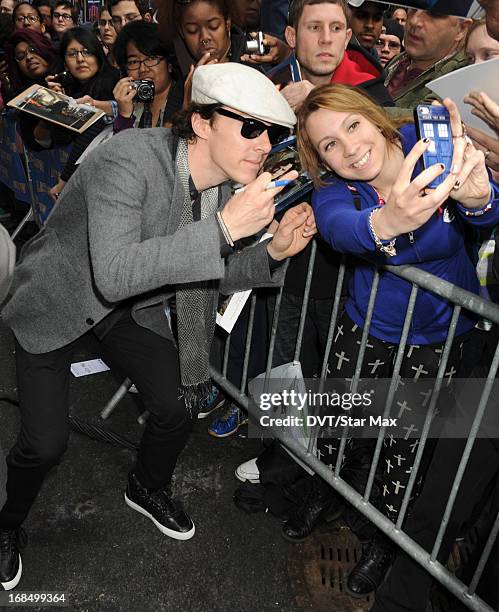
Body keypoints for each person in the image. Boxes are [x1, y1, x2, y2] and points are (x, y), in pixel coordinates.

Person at [0, 61, 316, 591]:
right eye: (250, 127)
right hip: (60, 298)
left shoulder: (217, 188)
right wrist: (223, 229)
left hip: (126, 309)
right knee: (45, 444)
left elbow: (206, 270)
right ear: (201, 124)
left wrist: (274, 252)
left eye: (275, 133)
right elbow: (118, 271)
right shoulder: (130, 157)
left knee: (176, 405)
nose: (264, 145)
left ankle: (146, 487)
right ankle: (7, 525)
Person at [295, 83, 499, 597]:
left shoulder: (431, 146)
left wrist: (478, 199)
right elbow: (340, 228)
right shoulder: (337, 192)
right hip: (364, 329)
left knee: (403, 449)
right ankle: (326, 487)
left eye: (352, 126)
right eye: (328, 146)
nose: (348, 148)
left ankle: (386, 539)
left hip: (439, 341)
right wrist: (388, 220)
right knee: (339, 421)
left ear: (375, 119)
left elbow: (489, 211)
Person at [43, 26, 119, 199]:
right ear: (64, 63)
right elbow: (60, 139)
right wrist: (57, 103)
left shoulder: (112, 81)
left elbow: (93, 130)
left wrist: (64, 179)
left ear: (98, 55)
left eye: (86, 52)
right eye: (72, 54)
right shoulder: (69, 87)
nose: (80, 59)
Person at [278, 0, 392, 113]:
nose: (326, 39)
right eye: (314, 27)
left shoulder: (373, 95)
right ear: (292, 36)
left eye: (336, 28)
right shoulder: (271, 88)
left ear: (347, 38)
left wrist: (321, 99)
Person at [384, 8, 471, 110]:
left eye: (434, 14)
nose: (414, 21)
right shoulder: (399, 60)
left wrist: (365, 110)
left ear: (461, 29)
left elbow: (422, 118)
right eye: (413, 7)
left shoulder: (461, 76)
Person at [112, 20, 182, 130]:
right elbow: (121, 146)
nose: (143, 69)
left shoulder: (184, 101)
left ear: (169, 64)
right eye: (134, 62)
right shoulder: (130, 106)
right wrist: (124, 116)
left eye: (151, 59)